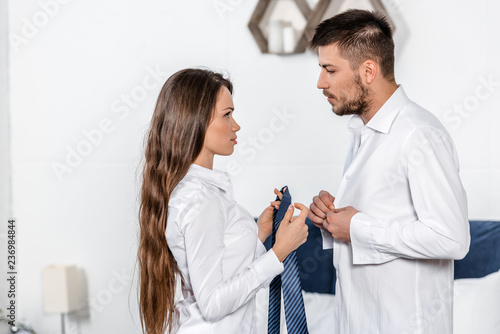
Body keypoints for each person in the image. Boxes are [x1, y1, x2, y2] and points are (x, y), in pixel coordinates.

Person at [307, 9, 470, 334]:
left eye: (330, 70)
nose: (320, 83)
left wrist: (356, 226)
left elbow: (452, 238)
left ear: (369, 70)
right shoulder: (363, 133)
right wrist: (332, 218)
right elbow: (379, 216)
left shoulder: (419, 135)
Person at [137, 68, 309, 334]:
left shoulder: (202, 193)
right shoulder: (199, 199)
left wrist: (259, 234)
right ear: (195, 120)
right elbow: (213, 303)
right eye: (227, 115)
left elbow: (226, 275)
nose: (236, 125)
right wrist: (280, 252)